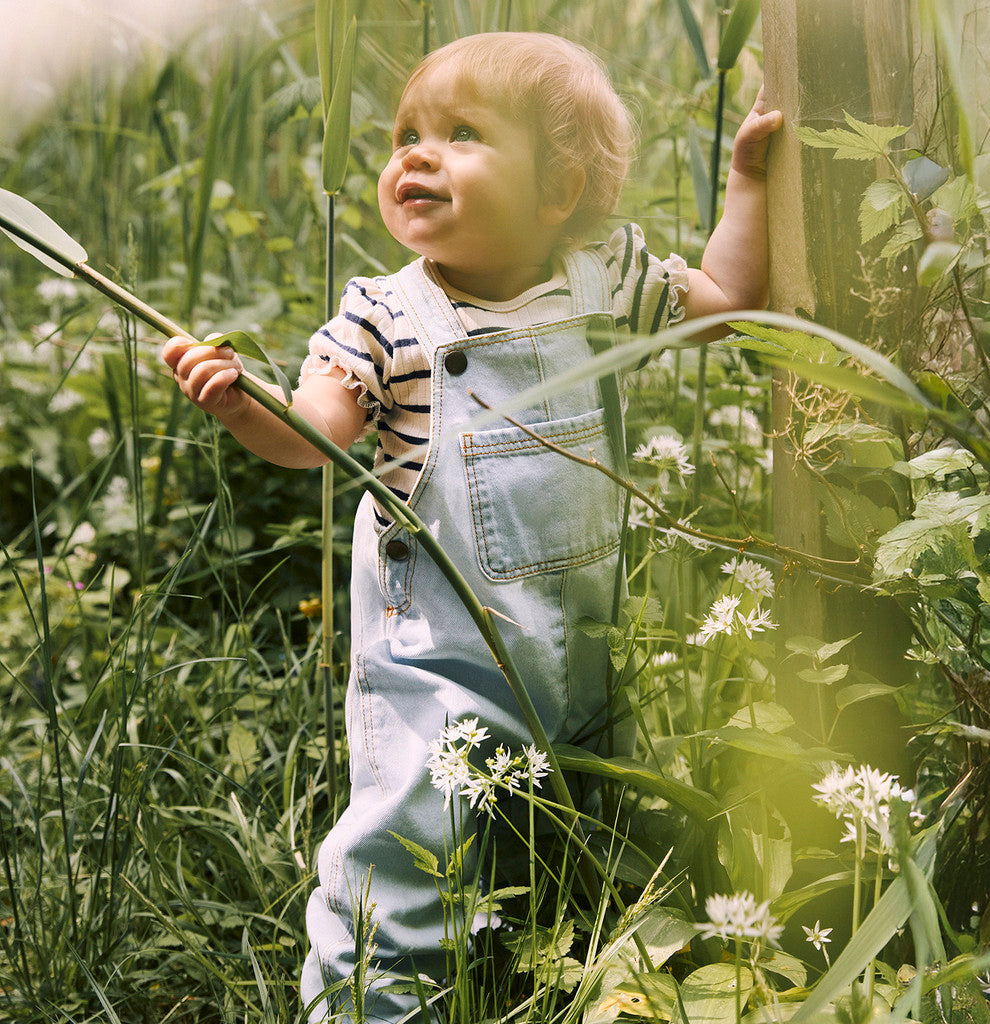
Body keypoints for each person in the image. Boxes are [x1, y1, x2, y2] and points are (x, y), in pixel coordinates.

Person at [162, 30, 781, 1022]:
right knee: (411, 850)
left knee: (577, 827)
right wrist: (246, 405)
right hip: (440, 672)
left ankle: (557, 962)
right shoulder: (387, 316)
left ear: (560, 186)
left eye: (460, 133)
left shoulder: (600, 275)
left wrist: (748, 182)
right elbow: (319, 436)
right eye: (405, 132)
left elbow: (724, 306)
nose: (415, 153)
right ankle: (367, 1003)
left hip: (579, 653)